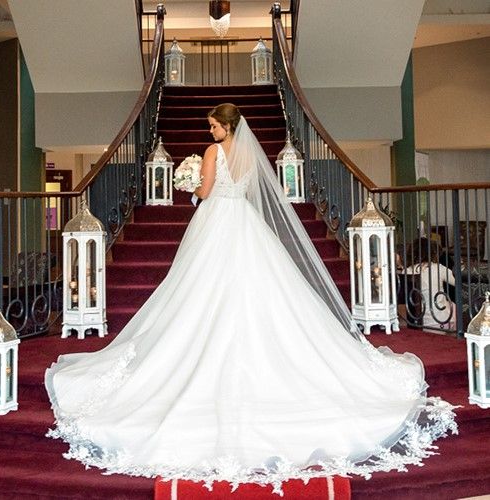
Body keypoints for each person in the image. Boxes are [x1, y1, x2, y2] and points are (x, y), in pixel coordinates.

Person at [45, 104, 457, 494]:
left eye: (213, 126)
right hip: (245, 223)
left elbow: (206, 191)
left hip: (215, 224)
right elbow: (248, 190)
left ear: (225, 127)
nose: (210, 132)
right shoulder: (247, 154)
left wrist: (190, 185)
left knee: (199, 290)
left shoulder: (212, 151)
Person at [405, 237, 456, 332]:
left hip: (417, 322)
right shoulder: (438, 268)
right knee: (453, 305)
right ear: (432, 252)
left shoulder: (407, 271)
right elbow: (459, 282)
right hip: (441, 321)